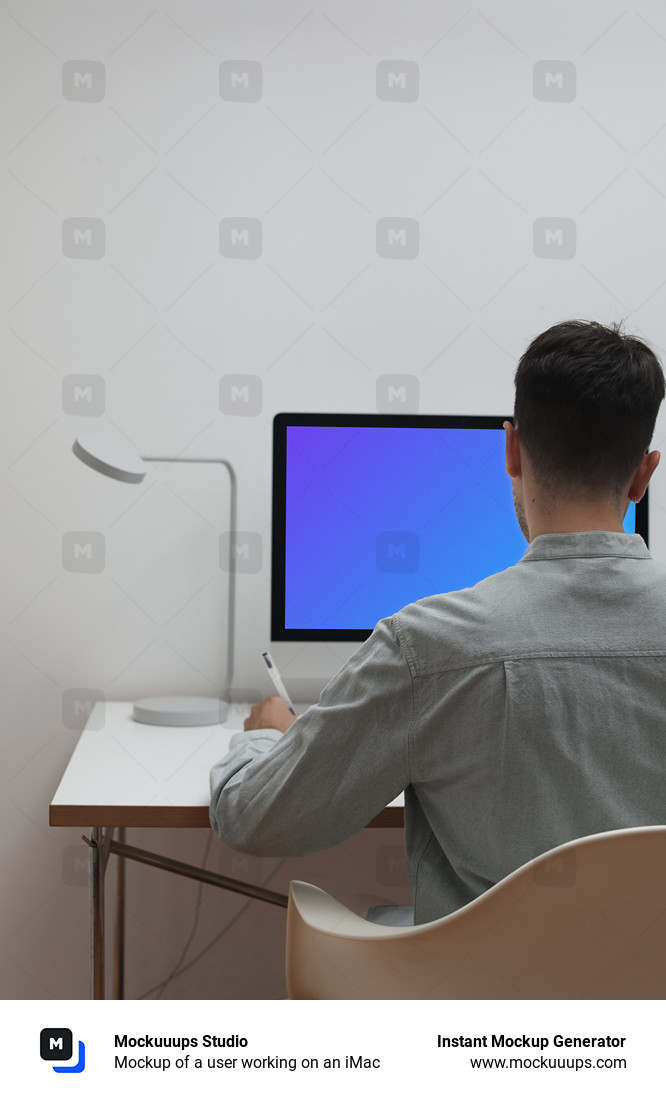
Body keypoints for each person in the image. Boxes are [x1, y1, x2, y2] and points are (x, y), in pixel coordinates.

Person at [210, 320, 666, 925]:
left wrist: (267, 736)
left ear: (510, 450)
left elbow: (251, 817)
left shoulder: (425, 650)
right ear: (644, 472)